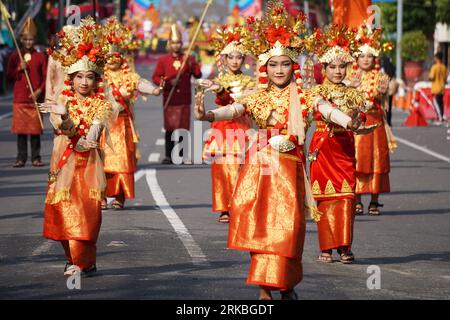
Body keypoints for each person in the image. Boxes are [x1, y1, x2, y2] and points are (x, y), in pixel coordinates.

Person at [195, 1, 319, 300]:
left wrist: (349, 120)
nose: (279, 69)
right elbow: (234, 109)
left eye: (285, 63)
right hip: (259, 170)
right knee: (259, 225)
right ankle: (265, 287)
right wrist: (207, 116)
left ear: (293, 66)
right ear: (265, 67)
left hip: (289, 171)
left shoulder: (305, 97)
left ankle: (286, 284)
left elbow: (327, 109)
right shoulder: (256, 96)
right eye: (273, 64)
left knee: (288, 227)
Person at [39, 17, 113, 277]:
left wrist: (68, 119)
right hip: (62, 162)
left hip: (88, 166)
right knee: (62, 209)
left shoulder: (102, 105)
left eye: (90, 77)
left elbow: (88, 138)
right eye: (79, 76)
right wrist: (64, 115)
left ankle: (83, 262)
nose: (84, 82)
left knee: (86, 213)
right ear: (71, 78)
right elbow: (61, 127)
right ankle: (73, 259)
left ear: (96, 80)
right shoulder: (61, 99)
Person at [307, 25, 376, 264]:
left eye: (341, 66)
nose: (337, 71)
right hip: (322, 149)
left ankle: (345, 247)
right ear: (323, 69)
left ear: (347, 68)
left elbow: (363, 116)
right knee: (324, 200)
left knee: (347, 198)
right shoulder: (315, 92)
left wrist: (357, 116)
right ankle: (326, 247)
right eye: (332, 67)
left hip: (344, 150)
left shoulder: (355, 93)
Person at [196, 24, 256, 223]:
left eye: (239, 57)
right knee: (221, 170)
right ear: (225, 59)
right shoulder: (218, 79)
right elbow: (222, 100)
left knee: (241, 168)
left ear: (244, 59)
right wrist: (218, 89)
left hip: (242, 127)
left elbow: (244, 102)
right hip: (222, 130)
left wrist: (223, 91)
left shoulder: (250, 82)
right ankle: (224, 208)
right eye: (231, 57)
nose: (235, 61)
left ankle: (240, 204)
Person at [101, 17, 162, 210]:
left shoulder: (129, 75)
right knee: (99, 161)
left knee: (121, 162)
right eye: (108, 57)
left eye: (115, 56)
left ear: (121, 57)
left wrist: (154, 90)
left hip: (122, 125)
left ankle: (119, 196)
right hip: (101, 125)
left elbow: (140, 83)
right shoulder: (98, 76)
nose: (112, 60)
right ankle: (100, 196)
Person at [350, 24, 394, 216]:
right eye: (362, 56)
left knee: (378, 160)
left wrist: (386, 92)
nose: (365, 59)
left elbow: (386, 102)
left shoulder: (381, 77)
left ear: (374, 58)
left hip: (376, 124)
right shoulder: (350, 78)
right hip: (358, 124)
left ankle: (374, 201)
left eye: (369, 56)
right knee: (358, 160)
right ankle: (358, 200)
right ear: (356, 59)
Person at [152, 24, 202, 164]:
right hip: (170, 98)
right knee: (170, 128)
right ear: (169, 43)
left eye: (178, 42)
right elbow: (156, 78)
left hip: (184, 99)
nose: (176, 45)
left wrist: (193, 63)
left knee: (183, 128)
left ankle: (181, 155)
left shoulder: (188, 59)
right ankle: (169, 155)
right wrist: (168, 82)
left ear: (182, 43)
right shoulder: (163, 60)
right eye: (173, 42)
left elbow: (198, 75)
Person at [7, 17, 47, 168]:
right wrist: (18, 68)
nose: (29, 42)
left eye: (31, 39)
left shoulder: (40, 57)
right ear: (22, 40)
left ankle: (36, 158)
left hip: (35, 99)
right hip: (20, 99)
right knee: (21, 132)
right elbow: (9, 76)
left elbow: (45, 77)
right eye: (26, 39)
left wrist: (39, 91)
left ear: (34, 40)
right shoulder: (15, 56)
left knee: (35, 131)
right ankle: (21, 158)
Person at [429, 52, 448, 125]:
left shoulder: (434, 67)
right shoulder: (444, 67)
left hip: (436, 88)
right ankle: (441, 116)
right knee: (441, 103)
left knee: (436, 103)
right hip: (442, 87)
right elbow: (445, 78)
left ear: (437, 58)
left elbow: (431, 77)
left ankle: (439, 117)